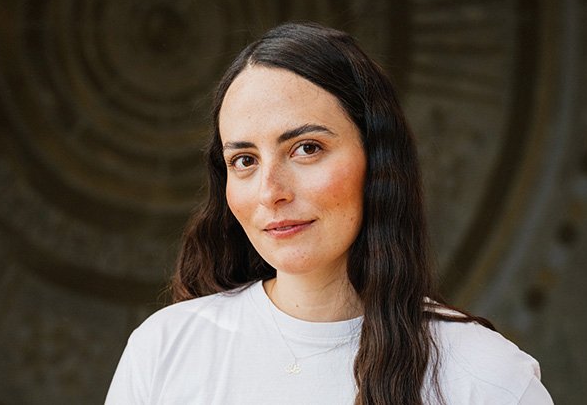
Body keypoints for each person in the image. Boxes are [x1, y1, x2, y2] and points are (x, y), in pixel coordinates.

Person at [106, 22, 553, 405]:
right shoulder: (164, 349)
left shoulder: (488, 378)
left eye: (307, 148)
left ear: (377, 161)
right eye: (244, 160)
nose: (271, 192)